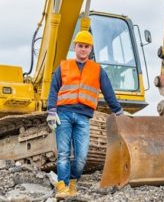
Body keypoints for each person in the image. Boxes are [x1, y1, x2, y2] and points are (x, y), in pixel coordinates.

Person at [47, 30, 123, 199]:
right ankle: (62, 186)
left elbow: (108, 91)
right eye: (80, 46)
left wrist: (118, 111)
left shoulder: (97, 70)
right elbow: (53, 89)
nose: (83, 49)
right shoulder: (64, 66)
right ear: (75, 47)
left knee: (81, 157)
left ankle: (73, 181)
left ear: (90, 49)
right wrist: (51, 111)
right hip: (64, 114)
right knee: (64, 153)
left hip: (83, 117)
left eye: (86, 46)